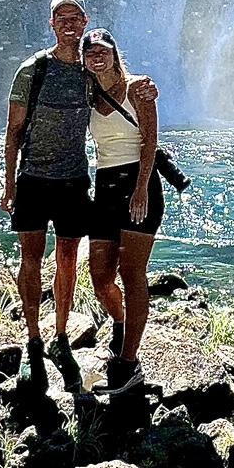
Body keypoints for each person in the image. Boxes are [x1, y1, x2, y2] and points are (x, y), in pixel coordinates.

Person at [2, 0, 155, 390]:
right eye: (60, 17)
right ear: (51, 23)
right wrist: (9, 182)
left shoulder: (93, 75)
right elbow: (14, 130)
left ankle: (63, 335)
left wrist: (145, 89)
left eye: (75, 17)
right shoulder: (33, 69)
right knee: (33, 259)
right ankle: (33, 338)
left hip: (76, 181)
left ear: (85, 22)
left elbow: (123, 84)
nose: (68, 23)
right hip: (35, 178)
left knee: (71, 259)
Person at [81, 27, 163, 395]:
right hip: (105, 186)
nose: (97, 56)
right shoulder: (88, 91)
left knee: (132, 274)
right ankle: (122, 323)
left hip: (137, 183)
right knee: (100, 278)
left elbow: (151, 140)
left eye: (103, 49)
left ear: (115, 52)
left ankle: (129, 365)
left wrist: (142, 188)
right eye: (90, 51)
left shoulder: (137, 89)